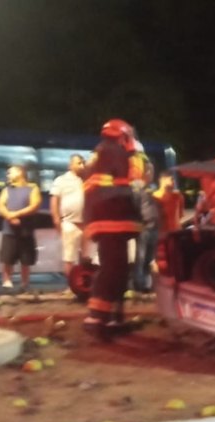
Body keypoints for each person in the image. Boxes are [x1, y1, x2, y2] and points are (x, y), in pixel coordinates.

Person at [82, 118, 144, 333]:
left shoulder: (101, 153)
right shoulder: (114, 152)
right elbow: (126, 186)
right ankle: (97, 317)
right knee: (112, 269)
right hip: (112, 219)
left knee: (117, 268)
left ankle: (112, 317)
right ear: (122, 136)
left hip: (105, 220)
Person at [0, 165, 41, 292]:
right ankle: (6, 282)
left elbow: (34, 206)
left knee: (26, 260)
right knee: (7, 259)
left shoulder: (32, 188)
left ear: (20, 173)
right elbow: (0, 205)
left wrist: (16, 214)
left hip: (26, 231)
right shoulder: (7, 190)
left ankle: (24, 284)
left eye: (10, 172)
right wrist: (9, 217)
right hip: (9, 231)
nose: (8, 175)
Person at [49, 154, 86, 279]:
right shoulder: (61, 180)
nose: (82, 166)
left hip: (87, 225)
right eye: (79, 163)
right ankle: (71, 286)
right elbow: (55, 200)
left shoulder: (88, 180)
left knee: (87, 258)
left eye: (83, 163)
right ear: (70, 165)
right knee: (69, 258)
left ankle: (85, 286)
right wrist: (56, 219)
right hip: (70, 223)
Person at [131, 157, 160, 293]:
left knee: (150, 257)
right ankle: (138, 284)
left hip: (154, 227)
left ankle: (147, 284)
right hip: (143, 227)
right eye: (149, 171)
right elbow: (134, 206)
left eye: (153, 171)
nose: (151, 174)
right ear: (144, 172)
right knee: (141, 257)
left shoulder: (153, 187)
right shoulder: (137, 187)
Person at [153, 170, 185, 236]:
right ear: (163, 180)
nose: (174, 182)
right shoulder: (154, 197)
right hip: (161, 235)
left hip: (176, 233)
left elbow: (180, 215)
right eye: (171, 179)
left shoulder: (178, 196)